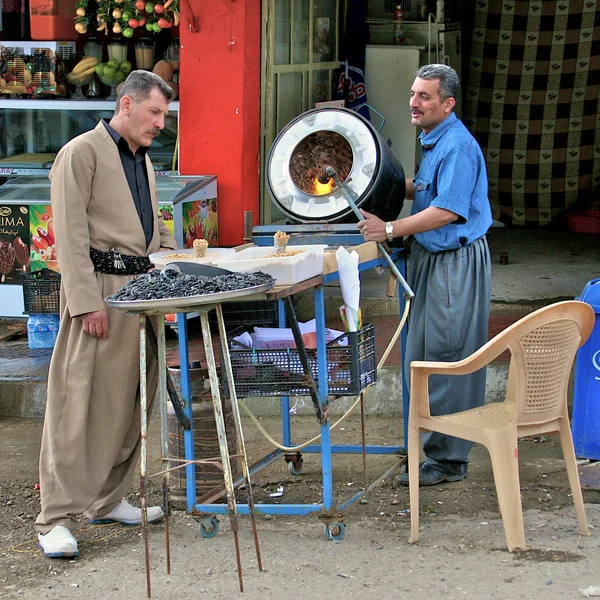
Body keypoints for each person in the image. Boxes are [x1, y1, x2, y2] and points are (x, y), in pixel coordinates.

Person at [35, 70, 177, 557]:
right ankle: (54, 516)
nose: (160, 122)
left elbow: (149, 230)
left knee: (133, 397)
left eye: (164, 114)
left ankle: (108, 499)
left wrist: (173, 265)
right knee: (79, 404)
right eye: (154, 112)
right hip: (99, 290)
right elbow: (69, 234)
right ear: (126, 104)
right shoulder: (80, 152)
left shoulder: (144, 162)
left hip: (142, 291)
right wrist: (87, 302)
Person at [358, 64, 492, 486]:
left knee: (448, 355)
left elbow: (448, 210)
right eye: (413, 93)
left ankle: (448, 459)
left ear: (447, 103)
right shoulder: (435, 142)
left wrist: (391, 228)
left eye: (425, 97)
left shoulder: (457, 146)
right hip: (431, 260)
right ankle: (430, 445)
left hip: (454, 263)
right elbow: (428, 189)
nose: (414, 102)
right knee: (422, 354)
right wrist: (377, 181)